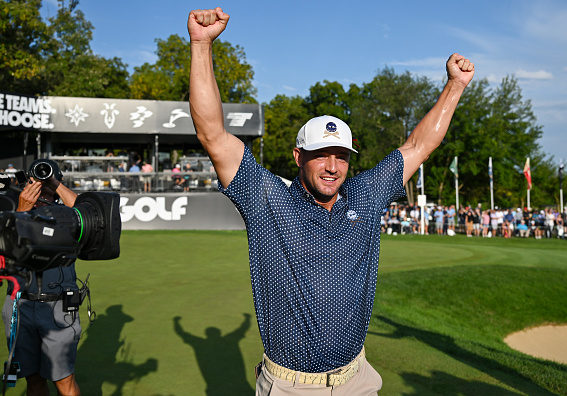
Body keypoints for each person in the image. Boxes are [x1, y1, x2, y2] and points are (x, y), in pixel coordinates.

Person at [187, 7, 474, 395]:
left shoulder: (365, 195)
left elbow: (419, 146)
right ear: (298, 157)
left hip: (357, 380)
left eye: (341, 155)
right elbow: (213, 136)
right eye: (321, 154)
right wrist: (202, 45)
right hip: (291, 387)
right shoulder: (268, 201)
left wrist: (455, 85)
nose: (332, 166)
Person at [1, 174, 81, 395]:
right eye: (34, 182)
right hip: (20, 305)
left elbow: (87, 213)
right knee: (32, 378)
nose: (39, 188)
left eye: (45, 184)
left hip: (58, 307)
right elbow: (5, 245)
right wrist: (22, 209)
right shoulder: (13, 209)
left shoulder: (67, 216)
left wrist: (55, 184)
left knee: (64, 381)